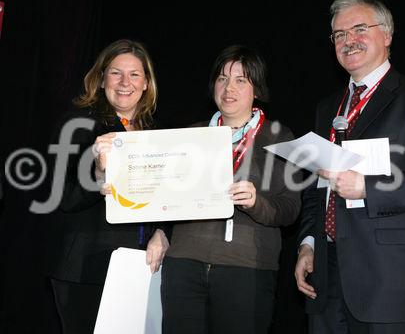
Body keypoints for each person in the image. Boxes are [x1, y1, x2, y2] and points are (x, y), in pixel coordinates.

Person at [294, 0, 405, 334]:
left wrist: (368, 187)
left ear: (386, 35)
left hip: (388, 278)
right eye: (339, 34)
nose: (348, 40)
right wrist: (308, 245)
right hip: (326, 277)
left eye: (359, 29)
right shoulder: (328, 108)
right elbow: (317, 188)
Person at [161, 44, 302, 334]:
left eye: (241, 79)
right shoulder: (190, 135)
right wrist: (159, 231)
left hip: (245, 269)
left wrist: (256, 202)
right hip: (183, 264)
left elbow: (290, 210)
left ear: (257, 89)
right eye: (222, 78)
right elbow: (164, 198)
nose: (229, 87)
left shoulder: (279, 137)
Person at [50, 39, 169, 334]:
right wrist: (99, 174)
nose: (124, 82)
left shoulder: (156, 132)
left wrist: (163, 233)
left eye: (134, 74)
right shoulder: (76, 124)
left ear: (146, 83)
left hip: (139, 265)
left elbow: (167, 197)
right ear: (101, 79)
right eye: (116, 73)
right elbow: (64, 198)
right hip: (84, 267)